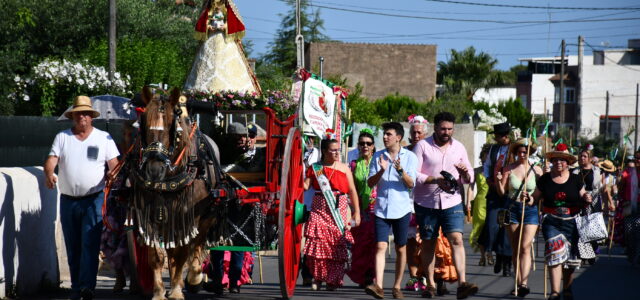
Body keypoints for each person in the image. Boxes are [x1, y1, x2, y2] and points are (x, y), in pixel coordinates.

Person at [44, 96, 120, 300]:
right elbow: (51, 160)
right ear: (73, 116)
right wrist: (49, 173)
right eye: (79, 113)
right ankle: (77, 287)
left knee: (89, 243)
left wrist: (114, 175)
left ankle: (87, 287)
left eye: (86, 113)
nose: (82, 117)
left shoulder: (104, 138)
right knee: (73, 245)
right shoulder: (63, 137)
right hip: (68, 200)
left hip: (93, 198)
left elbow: (115, 164)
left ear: (92, 117)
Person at [412, 112, 478, 299]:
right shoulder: (422, 146)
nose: (446, 132)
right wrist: (434, 180)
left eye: (449, 129)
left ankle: (462, 283)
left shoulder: (459, 147)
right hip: (427, 202)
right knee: (429, 242)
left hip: (452, 201)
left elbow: (469, 176)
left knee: (456, 238)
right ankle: (431, 285)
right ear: (435, 128)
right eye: (443, 128)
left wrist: (465, 174)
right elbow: (414, 174)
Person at [365, 122, 417, 300]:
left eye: (388, 134)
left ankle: (396, 286)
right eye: (384, 134)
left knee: (401, 248)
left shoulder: (410, 156)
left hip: (402, 209)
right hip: (381, 208)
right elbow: (370, 183)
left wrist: (400, 170)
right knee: (380, 246)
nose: (385, 137)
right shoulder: (378, 156)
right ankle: (378, 286)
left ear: (398, 137)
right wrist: (381, 170)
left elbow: (411, 184)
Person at [532, 143, 591, 300]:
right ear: (552, 161)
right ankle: (555, 292)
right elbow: (534, 198)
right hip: (551, 221)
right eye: (556, 159)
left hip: (572, 221)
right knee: (554, 252)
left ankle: (567, 287)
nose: (559, 162)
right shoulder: (545, 179)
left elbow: (583, 195)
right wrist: (528, 198)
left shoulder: (576, 179)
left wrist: (586, 198)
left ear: (568, 163)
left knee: (570, 260)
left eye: (562, 160)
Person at [303, 133, 360, 291]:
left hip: (338, 206)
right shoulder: (316, 168)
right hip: (319, 206)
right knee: (317, 242)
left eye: (338, 150)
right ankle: (318, 277)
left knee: (335, 244)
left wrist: (356, 213)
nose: (336, 153)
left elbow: (352, 191)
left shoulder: (344, 168)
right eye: (333, 150)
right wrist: (297, 170)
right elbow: (305, 186)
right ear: (324, 151)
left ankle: (332, 279)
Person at [496, 138, 542, 297]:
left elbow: (540, 192)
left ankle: (524, 283)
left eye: (526, 152)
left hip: (530, 210)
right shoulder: (508, 169)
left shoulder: (537, 170)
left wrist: (531, 198)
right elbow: (502, 193)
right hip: (512, 208)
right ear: (515, 153)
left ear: (530, 153)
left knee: (525, 247)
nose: (523, 154)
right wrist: (497, 180)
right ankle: (517, 282)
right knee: (516, 248)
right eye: (520, 152)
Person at [184, 0, 260, 94]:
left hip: (225, 39)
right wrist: (208, 26)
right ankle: (199, 92)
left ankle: (234, 93)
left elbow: (234, 21)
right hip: (211, 38)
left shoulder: (228, 5)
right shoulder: (208, 5)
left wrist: (225, 26)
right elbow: (203, 20)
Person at [479, 122, 513, 277]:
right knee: (493, 226)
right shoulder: (493, 149)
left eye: (497, 135)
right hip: (494, 192)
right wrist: (487, 178)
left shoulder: (515, 149)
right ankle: (496, 253)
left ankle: (506, 262)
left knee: (507, 229)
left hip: (510, 194)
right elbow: (487, 166)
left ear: (504, 136)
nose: (495, 138)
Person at [347, 129, 378, 287]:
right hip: (359, 208)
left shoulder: (379, 162)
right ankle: (362, 274)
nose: (365, 146)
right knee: (360, 243)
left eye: (368, 143)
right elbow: (351, 188)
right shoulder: (353, 165)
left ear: (373, 146)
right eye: (362, 143)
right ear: (358, 146)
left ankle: (372, 274)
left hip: (377, 207)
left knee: (375, 242)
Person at [405, 115, 428, 291]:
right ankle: (413, 277)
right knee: (411, 243)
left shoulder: (430, 150)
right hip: (409, 202)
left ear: (425, 133)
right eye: (414, 132)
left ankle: (428, 276)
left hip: (428, 202)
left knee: (428, 242)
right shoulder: (405, 151)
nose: (416, 135)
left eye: (419, 132)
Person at [572, 148, 604, 264]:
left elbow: (601, 188)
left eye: (585, 156)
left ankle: (592, 251)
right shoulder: (575, 171)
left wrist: (607, 200)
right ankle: (584, 255)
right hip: (580, 200)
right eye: (580, 156)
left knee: (592, 227)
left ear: (589, 158)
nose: (582, 158)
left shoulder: (597, 171)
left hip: (593, 201)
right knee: (581, 227)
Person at [469, 144, 492, 265]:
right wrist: (468, 202)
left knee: (490, 228)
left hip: (492, 202)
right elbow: (471, 187)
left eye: (489, 156)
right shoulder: (476, 170)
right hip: (479, 203)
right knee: (479, 229)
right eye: (485, 156)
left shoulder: (495, 170)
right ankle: (483, 255)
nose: (486, 158)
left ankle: (489, 253)